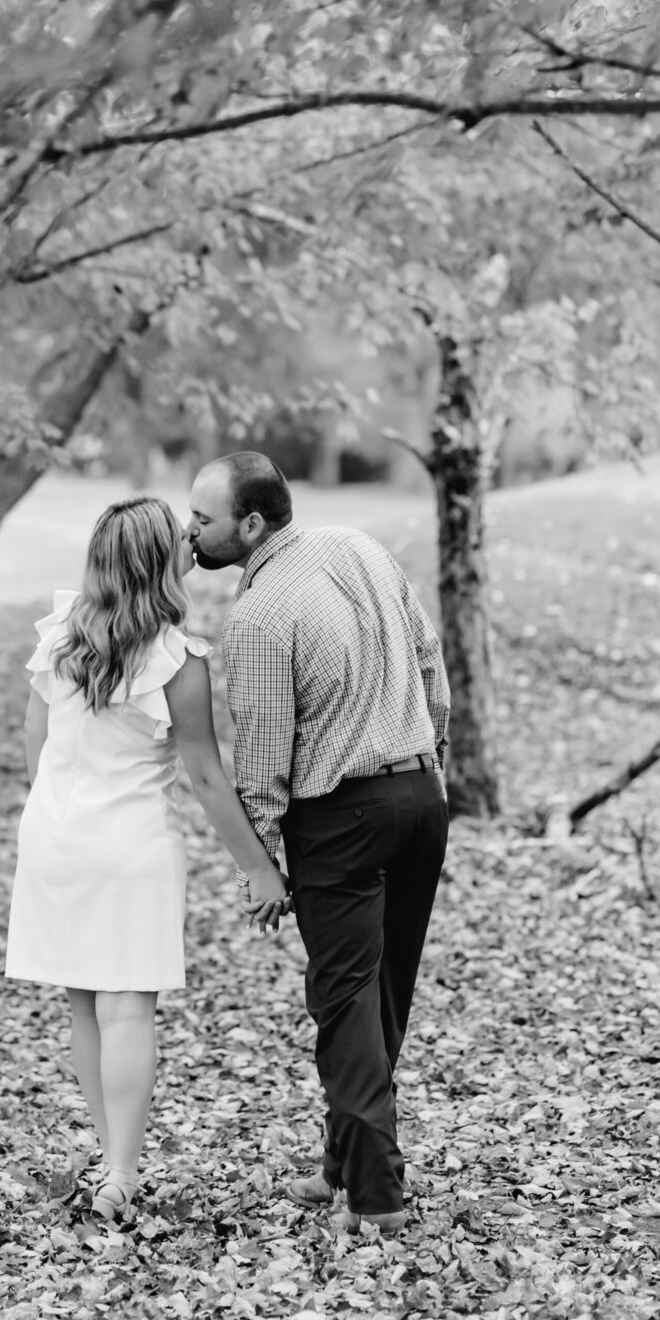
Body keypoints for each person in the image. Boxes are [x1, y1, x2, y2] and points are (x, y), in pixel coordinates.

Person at [4, 494, 289, 1224]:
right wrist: (259, 866)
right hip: (128, 845)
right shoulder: (176, 659)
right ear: (162, 564)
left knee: (83, 1007)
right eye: (180, 541)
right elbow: (202, 775)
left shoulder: (61, 634)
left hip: (54, 837)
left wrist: (59, 814)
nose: (191, 543)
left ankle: (109, 1159)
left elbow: (35, 745)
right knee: (127, 1008)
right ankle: (122, 1173)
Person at [186, 451, 450, 1236]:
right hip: (419, 797)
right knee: (384, 997)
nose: (190, 530)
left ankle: (377, 1197)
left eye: (204, 519)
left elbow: (264, 755)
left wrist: (261, 859)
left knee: (345, 1005)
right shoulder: (360, 548)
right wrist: (434, 764)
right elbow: (430, 660)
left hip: (340, 818)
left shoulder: (261, 616)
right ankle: (343, 1162)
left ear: (253, 524)